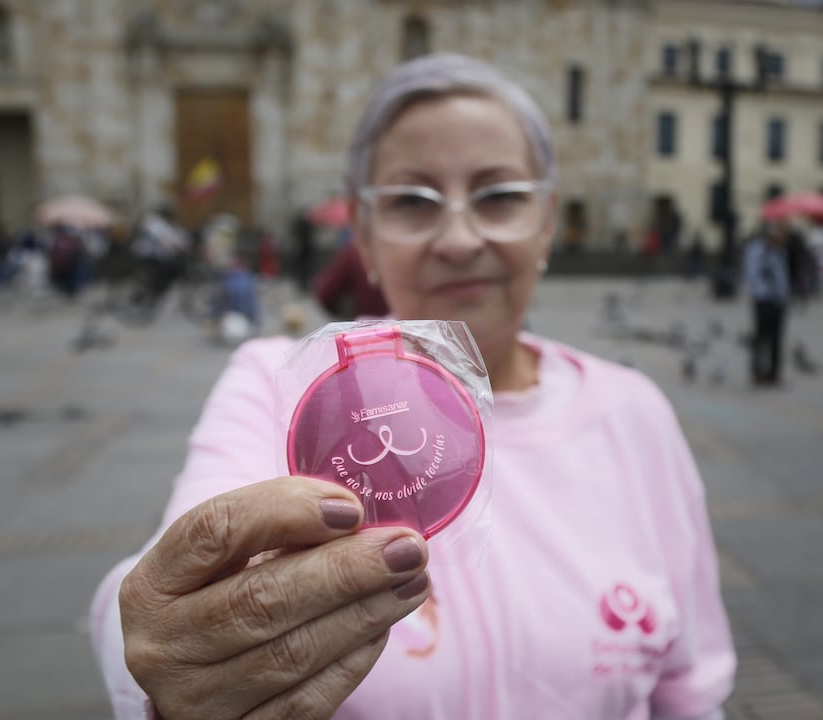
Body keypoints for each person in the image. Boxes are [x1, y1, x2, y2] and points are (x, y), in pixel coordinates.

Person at [90, 53, 735, 719]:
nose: (458, 238)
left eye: (500, 196)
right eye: (411, 201)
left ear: (547, 220)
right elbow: (164, 585)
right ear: (363, 238)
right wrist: (161, 648)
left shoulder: (634, 411)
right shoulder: (279, 388)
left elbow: (691, 694)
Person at [743, 221, 791, 386]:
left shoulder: (780, 251)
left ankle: (774, 374)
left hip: (779, 301)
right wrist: (762, 294)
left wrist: (784, 295)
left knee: (777, 339)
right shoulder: (758, 251)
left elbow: (782, 275)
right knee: (761, 338)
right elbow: (753, 275)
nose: (782, 237)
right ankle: (758, 373)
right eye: (779, 233)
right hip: (764, 301)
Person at [312, 240, 390, 320]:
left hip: (365, 326)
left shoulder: (355, 251)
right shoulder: (356, 251)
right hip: (373, 324)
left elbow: (326, 292)